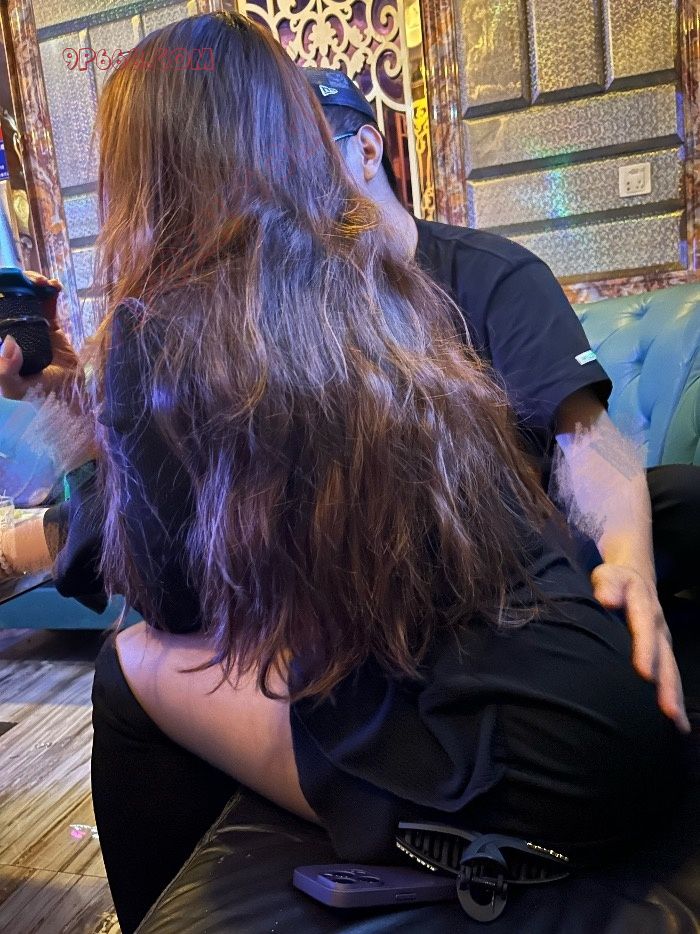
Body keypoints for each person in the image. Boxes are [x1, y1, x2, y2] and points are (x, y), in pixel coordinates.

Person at [0, 15, 689, 931]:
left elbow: (171, 606)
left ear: (143, 167)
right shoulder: (387, 286)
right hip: (609, 694)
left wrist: (83, 433)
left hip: (535, 762)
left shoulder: (157, 331)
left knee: (132, 667)